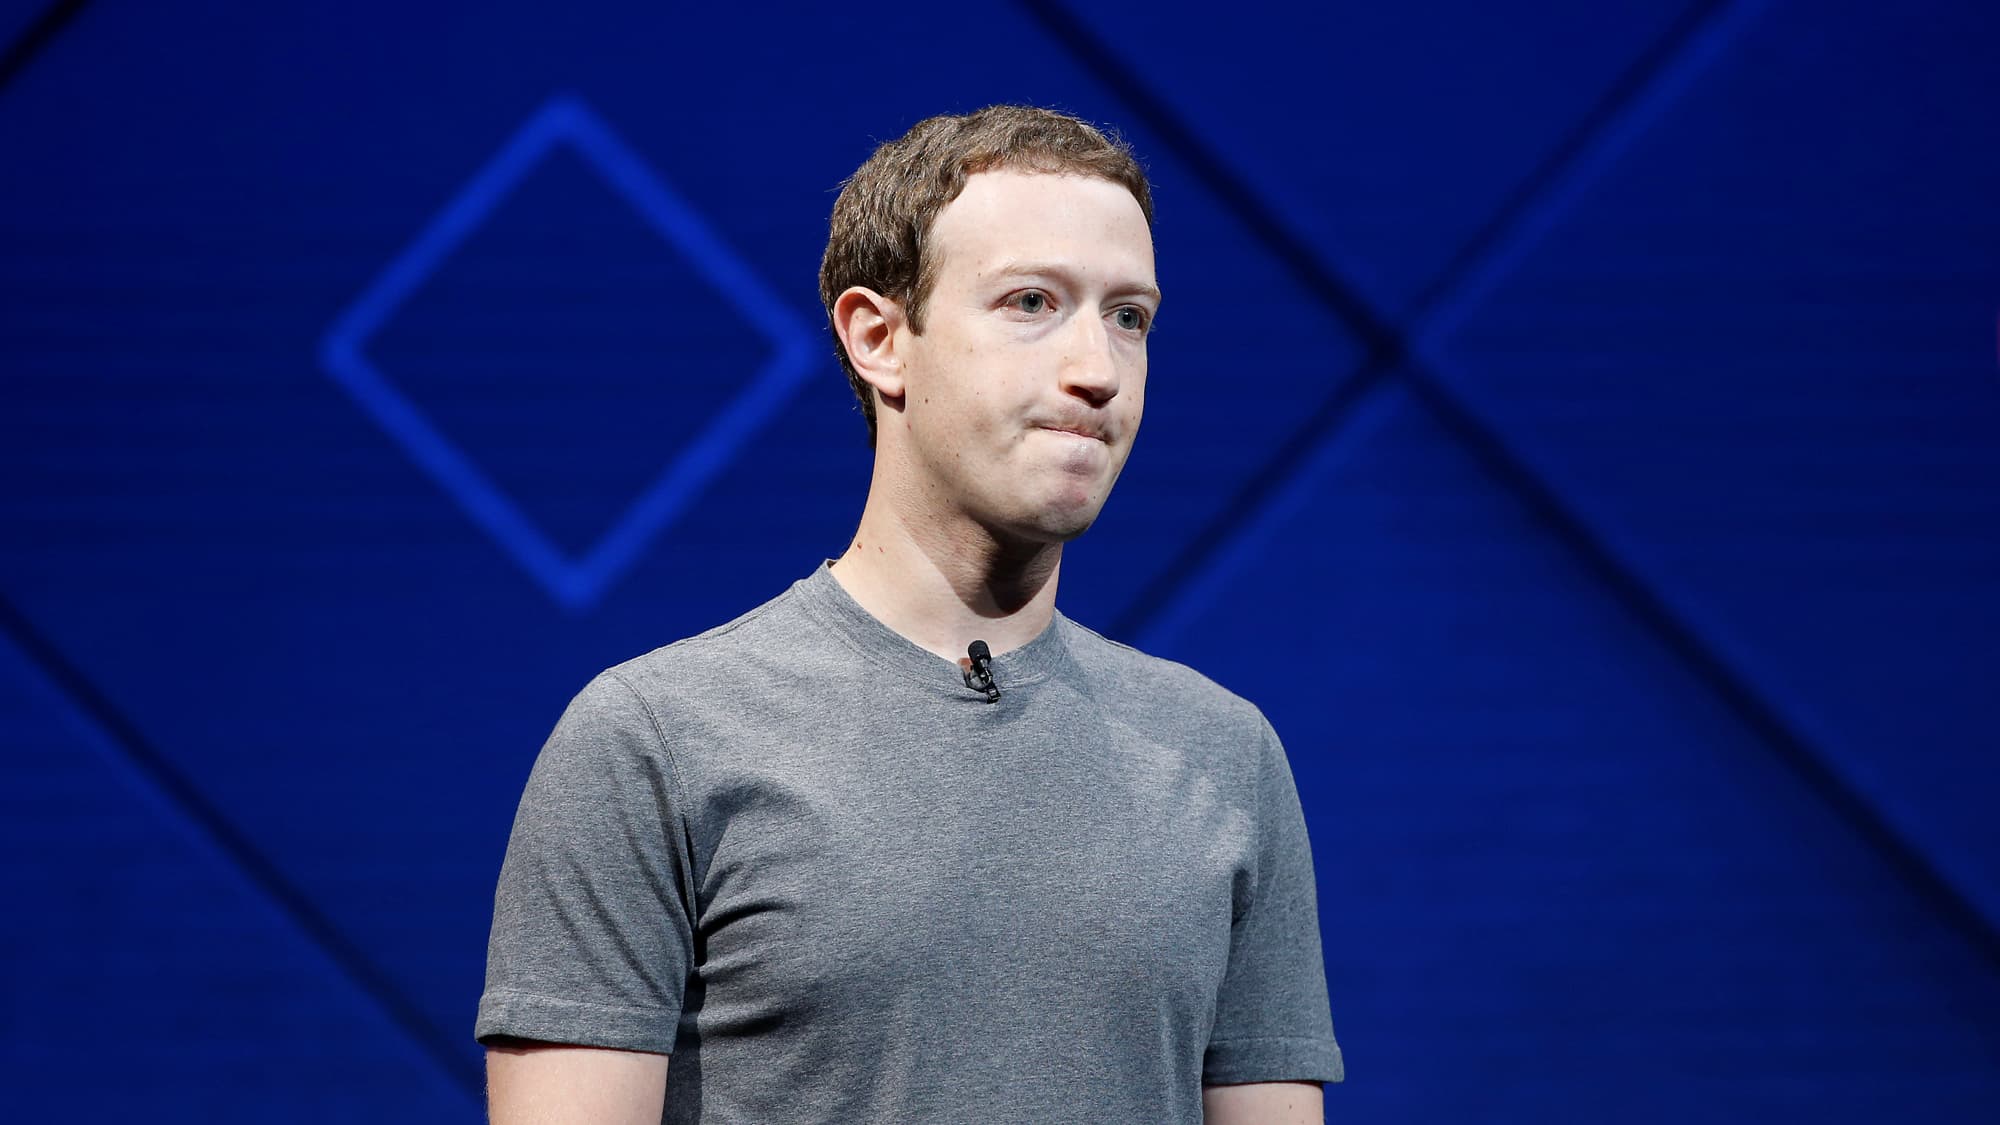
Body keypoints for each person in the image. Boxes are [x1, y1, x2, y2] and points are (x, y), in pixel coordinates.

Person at [476, 104, 1342, 1124]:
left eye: (1129, 317)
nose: (1097, 370)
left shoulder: (1221, 755)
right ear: (879, 339)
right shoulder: (654, 743)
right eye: (1030, 302)